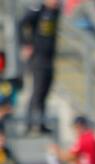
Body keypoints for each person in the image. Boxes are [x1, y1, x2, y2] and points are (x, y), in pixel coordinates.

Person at [20, 0, 60, 135]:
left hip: (49, 58)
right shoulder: (38, 10)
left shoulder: (55, 12)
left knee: (44, 92)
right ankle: (28, 123)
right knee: (37, 92)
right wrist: (26, 44)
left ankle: (41, 123)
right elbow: (21, 23)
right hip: (38, 58)